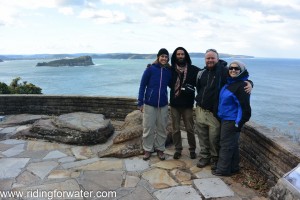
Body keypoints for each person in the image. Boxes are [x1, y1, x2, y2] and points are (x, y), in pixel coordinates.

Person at [195, 49, 252, 170]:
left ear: (217, 59)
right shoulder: (201, 73)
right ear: (205, 60)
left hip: (213, 113)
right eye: (208, 58)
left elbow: (239, 78)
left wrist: (250, 83)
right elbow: (199, 88)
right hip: (200, 109)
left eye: (212, 58)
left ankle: (215, 159)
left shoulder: (225, 72)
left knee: (214, 138)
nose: (210, 60)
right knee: (202, 135)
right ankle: (205, 156)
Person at [212, 61, 251, 176]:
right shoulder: (230, 83)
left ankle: (223, 170)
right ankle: (234, 167)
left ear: (241, 70)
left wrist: (238, 123)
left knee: (225, 145)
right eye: (231, 68)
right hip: (225, 118)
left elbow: (244, 108)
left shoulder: (242, 86)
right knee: (232, 144)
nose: (233, 70)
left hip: (232, 120)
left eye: (236, 68)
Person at [138, 48, 172, 161]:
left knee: (162, 128)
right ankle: (147, 149)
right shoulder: (150, 69)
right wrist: (140, 102)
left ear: (168, 59)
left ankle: (160, 149)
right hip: (149, 103)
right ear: (158, 57)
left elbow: (173, 84)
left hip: (163, 104)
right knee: (148, 128)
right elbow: (142, 86)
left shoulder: (168, 71)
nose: (164, 58)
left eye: (166, 57)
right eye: (162, 56)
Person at [169, 47, 200, 159]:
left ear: (185, 55)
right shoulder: (171, 69)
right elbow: (159, 67)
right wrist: (150, 65)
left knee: (190, 129)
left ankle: (192, 149)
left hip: (187, 105)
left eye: (182, 54)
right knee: (176, 129)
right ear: (175, 56)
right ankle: (178, 149)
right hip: (174, 105)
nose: (180, 56)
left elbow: (207, 73)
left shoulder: (193, 69)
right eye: (178, 54)